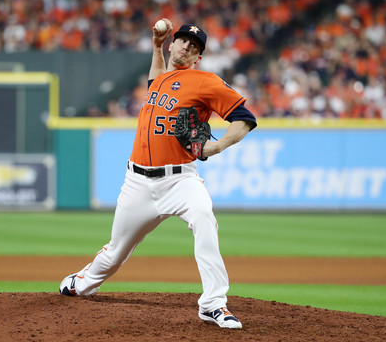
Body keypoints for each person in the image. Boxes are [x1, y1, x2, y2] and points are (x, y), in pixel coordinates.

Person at [59, 20, 257, 329]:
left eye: (194, 46)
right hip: (137, 182)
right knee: (115, 253)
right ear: (173, 44)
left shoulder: (205, 81)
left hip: (180, 180)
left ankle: (214, 304)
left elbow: (244, 118)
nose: (186, 46)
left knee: (204, 217)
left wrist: (215, 147)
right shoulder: (162, 79)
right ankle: (81, 283)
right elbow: (155, 81)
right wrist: (155, 47)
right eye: (182, 41)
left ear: (198, 57)